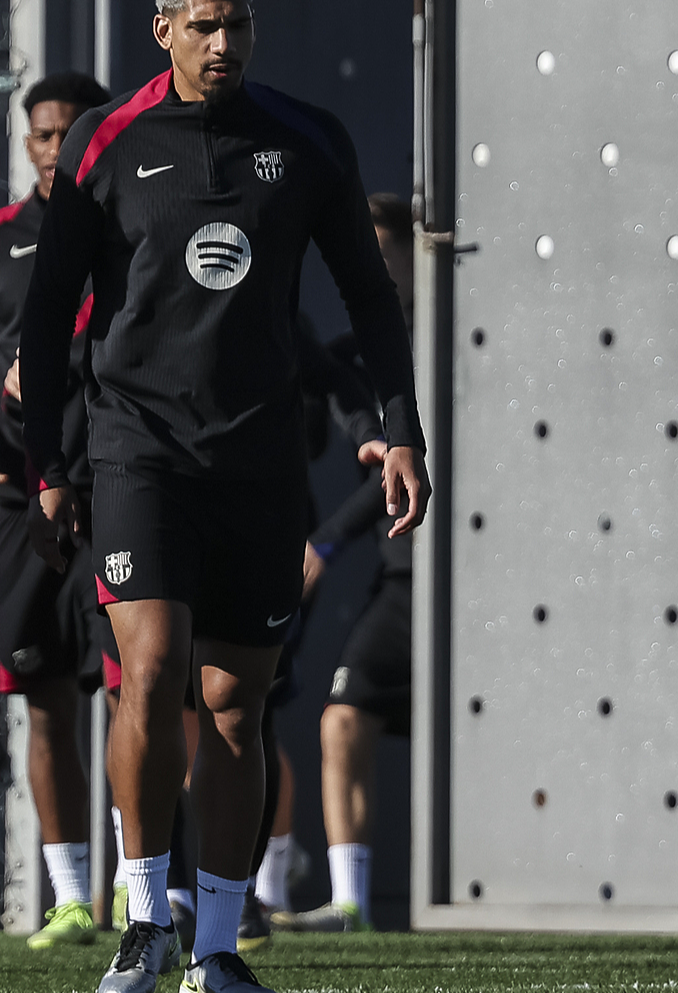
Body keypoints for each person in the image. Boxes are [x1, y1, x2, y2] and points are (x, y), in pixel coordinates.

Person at [17, 0, 428, 993]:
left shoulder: (305, 142)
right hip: (136, 452)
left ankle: (214, 948)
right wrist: (46, 468)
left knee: (237, 708)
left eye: (234, 23)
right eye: (199, 25)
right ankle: (142, 921)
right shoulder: (106, 144)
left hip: (256, 461)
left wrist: (399, 426)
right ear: (162, 31)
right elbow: (43, 312)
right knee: (148, 676)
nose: (219, 42)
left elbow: (368, 301)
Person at [0, 70, 112, 949]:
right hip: (24, 508)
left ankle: (167, 889)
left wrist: (60, 377)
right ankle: (74, 896)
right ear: (27, 142)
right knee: (45, 703)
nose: (54, 146)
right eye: (42, 133)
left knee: (145, 696)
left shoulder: (127, 231)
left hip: (117, 499)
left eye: (70, 130)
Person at [274, 192, 418, 936]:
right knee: (340, 722)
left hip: (479, 588)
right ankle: (350, 902)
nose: (377, 272)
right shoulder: (340, 349)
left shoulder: (454, 340)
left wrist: (322, 542)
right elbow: (327, 401)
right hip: (402, 581)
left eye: (388, 254)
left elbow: (393, 466)